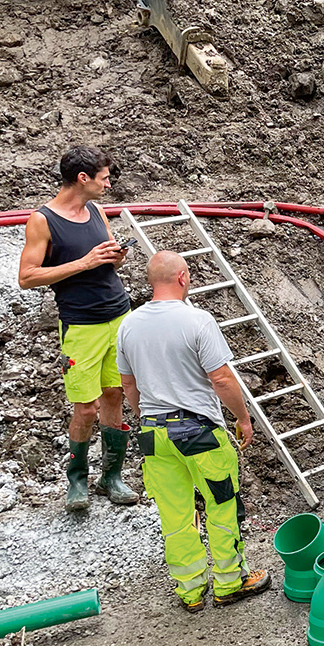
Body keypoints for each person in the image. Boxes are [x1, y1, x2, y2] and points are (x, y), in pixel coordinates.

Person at [116, 251, 271, 612]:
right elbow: (220, 378)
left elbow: (129, 385)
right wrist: (243, 418)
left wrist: (145, 418)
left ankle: (190, 591)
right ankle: (230, 583)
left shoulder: (129, 325)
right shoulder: (197, 321)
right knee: (221, 506)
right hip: (199, 433)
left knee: (175, 515)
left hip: (154, 436)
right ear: (183, 277)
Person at [18, 144, 138, 512]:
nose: (108, 184)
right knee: (86, 408)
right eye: (103, 178)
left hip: (117, 315)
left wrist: (113, 259)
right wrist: (84, 263)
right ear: (82, 178)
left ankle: (112, 477)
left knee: (115, 396)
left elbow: (103, 266)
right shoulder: (42, 220)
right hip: (81, 325)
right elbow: (27, 277)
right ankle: (77, 480)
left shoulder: (96, 210)